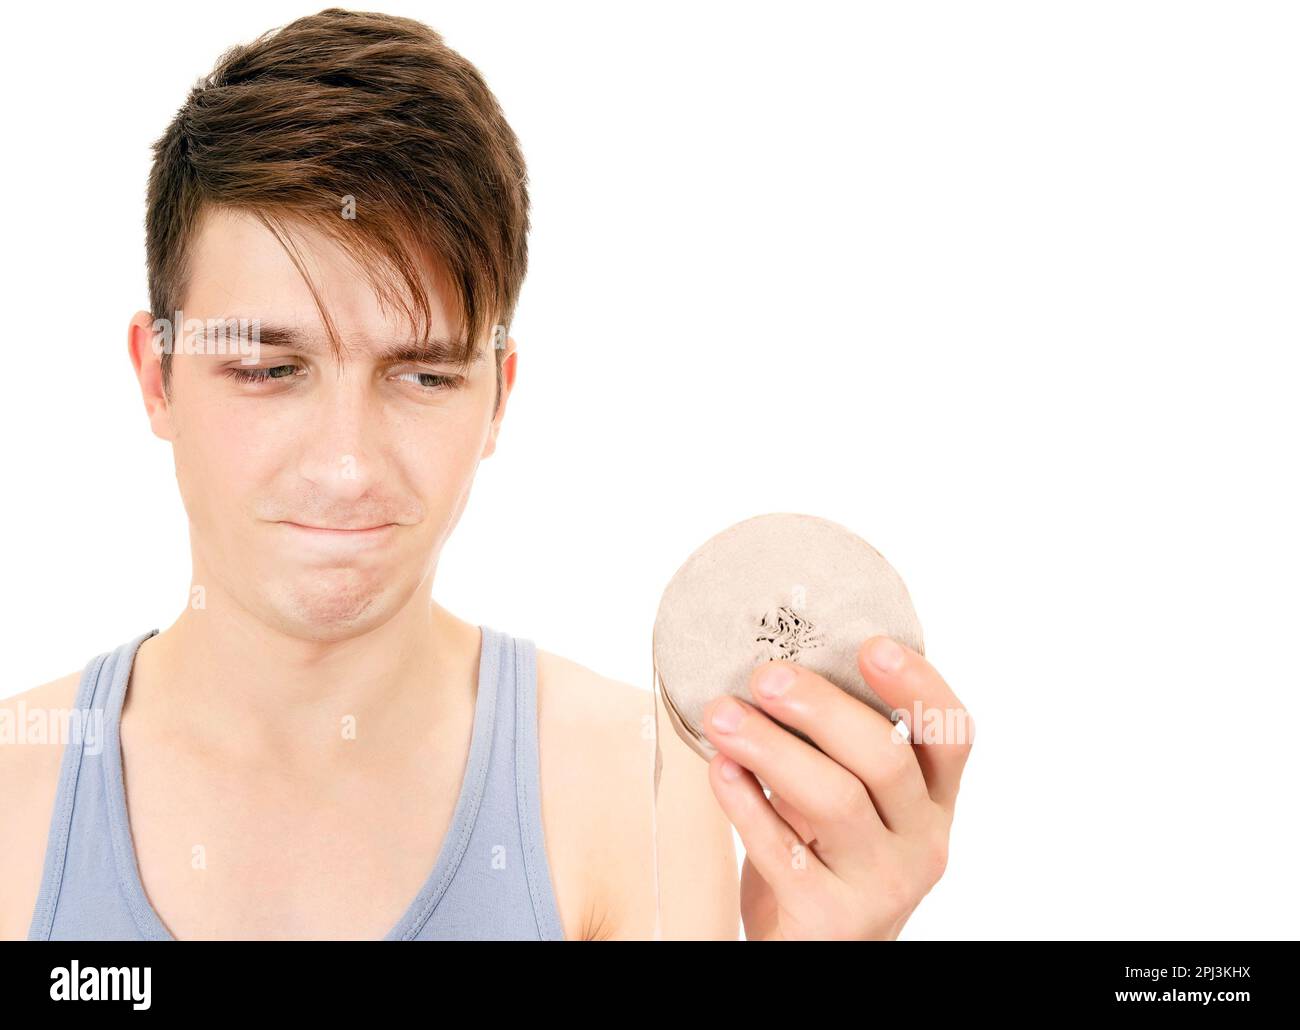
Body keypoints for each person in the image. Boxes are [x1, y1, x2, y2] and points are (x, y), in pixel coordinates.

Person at [0, 8, 972, 941]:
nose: (345, 465)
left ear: (498, 397)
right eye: (267, 370)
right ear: (155, 376)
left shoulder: (631, 788)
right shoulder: (13, 795)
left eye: (422, 374)